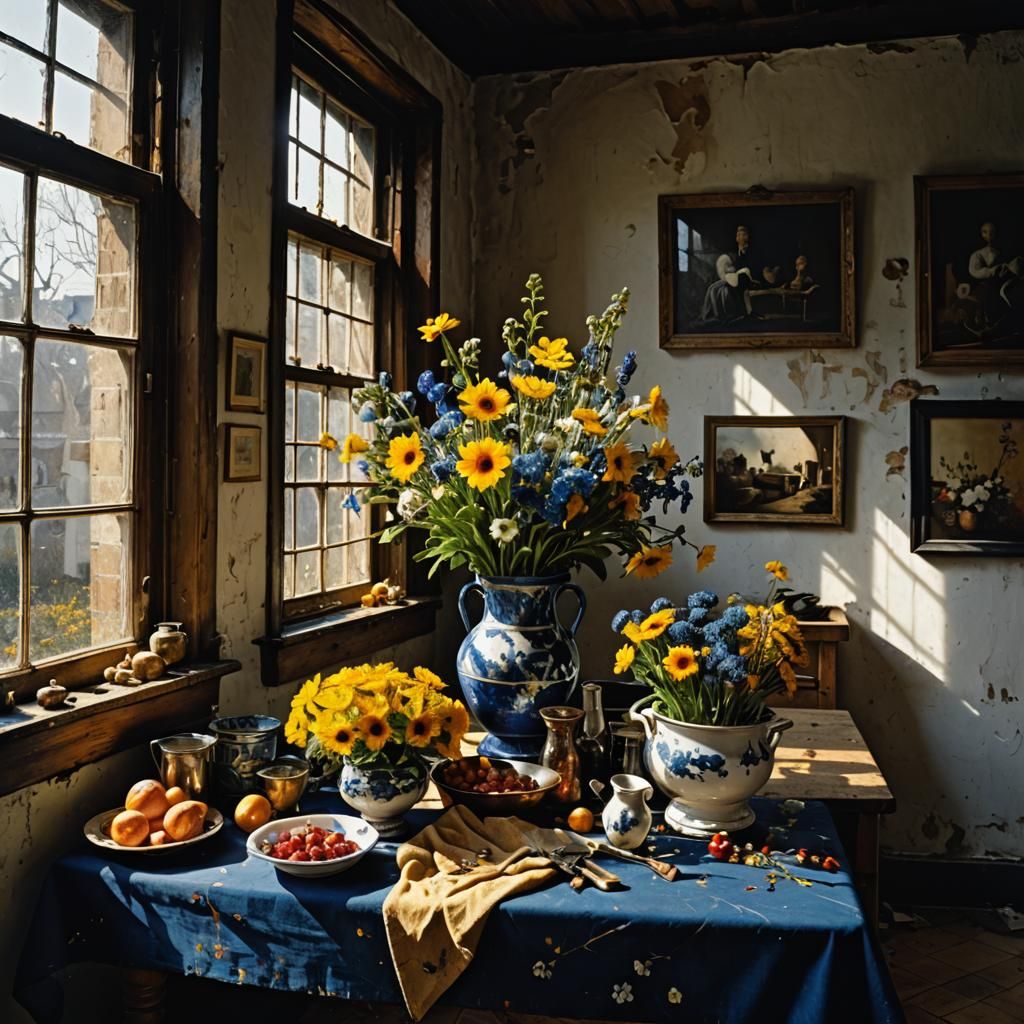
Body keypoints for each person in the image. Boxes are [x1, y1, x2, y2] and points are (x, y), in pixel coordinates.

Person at [700, 225, 761, 324]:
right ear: (736, 238)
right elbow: (734, 267)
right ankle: (718, 315)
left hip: (749, 276)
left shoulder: (753, 251)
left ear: (747, 237)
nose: (741, 237)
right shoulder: (735, 253)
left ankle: (738, 314)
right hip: (736, 277)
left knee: (732, 285)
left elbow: (753, 267)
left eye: (743, 235)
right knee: (713, 288)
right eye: (739, 235)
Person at [968, 221, 1022, 326]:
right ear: (981, 234)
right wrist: (993, 271)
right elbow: (974, 271)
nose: (989, 235)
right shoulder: (977, 254)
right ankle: (991, 320)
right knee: (989, 292)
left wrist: (1008, 269)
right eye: (985, 232)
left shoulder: (1001, 251)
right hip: (986, 283)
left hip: (1002, 281)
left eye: (992, 232)